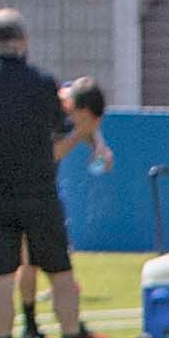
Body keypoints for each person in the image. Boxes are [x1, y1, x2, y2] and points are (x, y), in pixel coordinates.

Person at [0, 9, 99, 338]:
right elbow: (60, 125)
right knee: (61, 276)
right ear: (22, 42)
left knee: (0, 280)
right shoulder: (41, 83)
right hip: (38, 191)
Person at [55, 78, 130, 295]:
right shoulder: (48, 108)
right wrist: (80, 134)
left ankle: (63, 281)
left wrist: (100, 147)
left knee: (57, 234)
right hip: (20, 175)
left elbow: (90, 126)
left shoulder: (78, 101)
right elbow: (52, 154)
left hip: (44, 181)